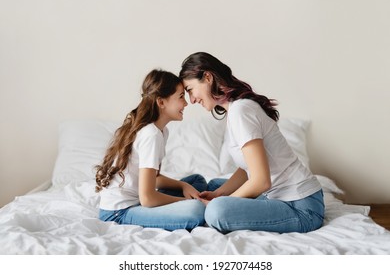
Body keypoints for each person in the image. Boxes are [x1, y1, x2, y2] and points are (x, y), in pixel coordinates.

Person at [179, 52, 324, 233]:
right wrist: (218, 193)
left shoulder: (241, 111)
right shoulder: (235, 110)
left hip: (301, 207)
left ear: (207, 77)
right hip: (281, 197)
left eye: (190, 90)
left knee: (217, 211)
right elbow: (247, 167)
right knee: (215, 184)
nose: (191, 100)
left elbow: (261, 181)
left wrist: (221, 201)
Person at [95, 69, 207, 231]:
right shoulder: (151, 135)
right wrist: (188, 203)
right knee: (195, 211)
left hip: (140, 199)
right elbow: (147, 198)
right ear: (161, 102)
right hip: (119, 212)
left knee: (196, 181)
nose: (186, 103)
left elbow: (154, 178)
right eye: (181, 96)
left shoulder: (161, 131)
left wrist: (183, 186)